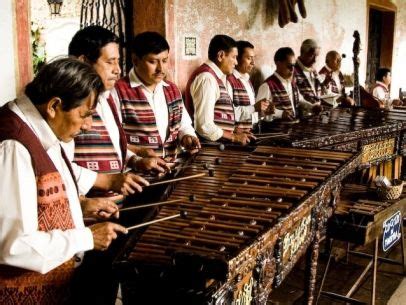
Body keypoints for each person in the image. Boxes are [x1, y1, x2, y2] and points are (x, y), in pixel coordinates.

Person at [0, 58, 128, 304]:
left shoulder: (39, 128)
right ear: (54, 105)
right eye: (84, 115)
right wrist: (87, 237)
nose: (88, 125)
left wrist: (78, 206)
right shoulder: (14, 145)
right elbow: (13, 245)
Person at [67, 26, 168, 182]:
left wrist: (136, 161)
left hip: (116, 204)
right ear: (83, 62)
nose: (118, 70)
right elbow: (58, 166)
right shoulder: (67, 106)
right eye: (110, 62)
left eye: (118, 62)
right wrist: (106, 183)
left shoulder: (108, 98)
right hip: (85, 204)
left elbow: (114, 147)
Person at [114, 31, 200, 159]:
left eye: (164, 61)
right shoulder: (117, 91)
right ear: (135, 60)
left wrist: (187, 136)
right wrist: (136, 158)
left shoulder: (172, 89)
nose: (161, 69)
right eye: (153, 62)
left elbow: (184, 124)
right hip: (136, 174)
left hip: (172, 169)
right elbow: (112, 140)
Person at [185, 34, 255, 145]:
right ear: (221, 55)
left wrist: (234, 130)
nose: (236, 62)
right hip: (209, 149)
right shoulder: (207, 78)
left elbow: (216, 116)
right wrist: (233, 137)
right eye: (234, 57)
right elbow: (204, 125)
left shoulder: (215, 77)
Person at [227, 40, 271, 129]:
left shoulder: (247, 80)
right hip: (236, 137)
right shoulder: (229, 80)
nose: (253, 62)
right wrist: (254, 108)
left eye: (253, 58)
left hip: (249, 134)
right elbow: (228, 113)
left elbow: (251, 116)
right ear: (237, 58)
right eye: (249, 58)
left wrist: (262, 112)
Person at [257, 47, 304, 121]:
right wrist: (280, 114)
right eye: (289, 66)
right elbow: (259, 112)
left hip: (293, 128)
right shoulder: (267, 86)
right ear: (278, 64)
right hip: (277, 130)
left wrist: (311, 106)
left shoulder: (292, 83)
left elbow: (299, 101)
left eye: (293, 66)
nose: (292, 70)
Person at [294, 39, 326, 114]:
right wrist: (311, 107)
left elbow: (317, 93)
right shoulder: (293, 71)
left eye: (316, 56)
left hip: (316, 114)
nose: (315, 60)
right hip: (303, 117)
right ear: (303, 53)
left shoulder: (313, 69)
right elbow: (295, 97)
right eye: (312, 56)